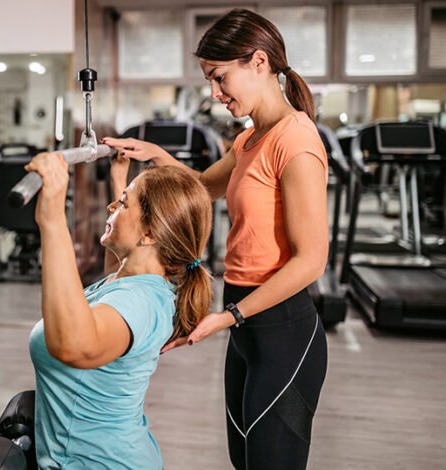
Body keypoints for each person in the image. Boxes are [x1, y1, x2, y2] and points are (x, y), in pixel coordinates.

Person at [103, 8, 329, 470]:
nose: (214, 93)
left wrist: (227, 317)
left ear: (259, 63)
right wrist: (157, 157)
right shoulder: (250, 140)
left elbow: (311, 262)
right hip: (246, 324)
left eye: (219, 77)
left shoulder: (297, 142)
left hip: (282, 327)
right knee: (243, 459)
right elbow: (204, 187)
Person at [24, 150, 212, 469]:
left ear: (151, 234)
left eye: (123, 204)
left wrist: (52, 217)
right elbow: (124, 263)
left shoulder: (139, 303)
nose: (113, 207)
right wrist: (119, 183)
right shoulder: (143, 280)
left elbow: (73, 345)